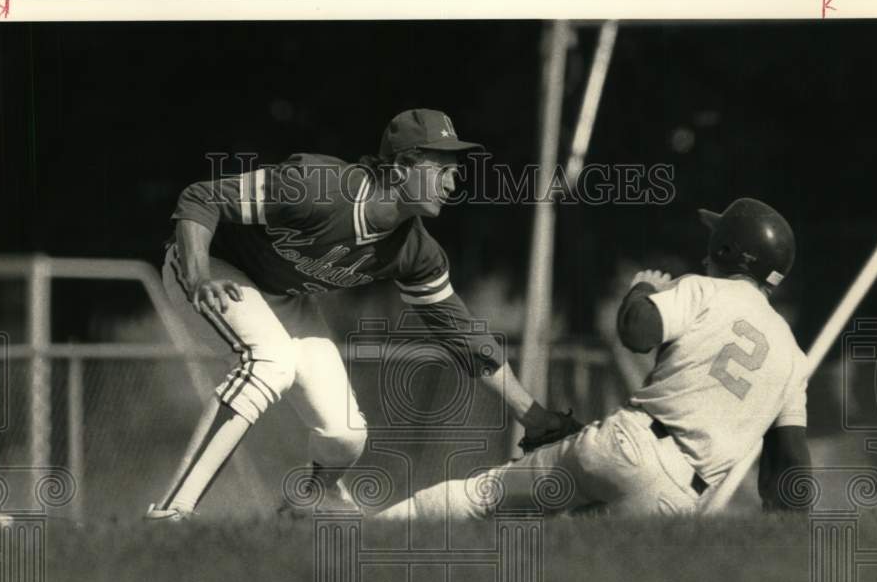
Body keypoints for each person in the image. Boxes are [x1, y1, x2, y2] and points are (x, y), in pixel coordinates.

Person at [145, 109, 580, 520]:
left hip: (285, 297)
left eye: (455, 170)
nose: (453, 181)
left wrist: (534, 416)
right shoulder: (317, 186)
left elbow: (464, 336)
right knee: (269, 360)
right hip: (212, 270)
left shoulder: (414, 251)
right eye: (441, 167)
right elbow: (200, 198)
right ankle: (171, 514)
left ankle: (306, 504)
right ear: (399, 167)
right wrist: (199, 273)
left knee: (345, 435)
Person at [377, 198, 812, 520]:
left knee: (485, 495)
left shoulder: (706, 289)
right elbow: (789, 470)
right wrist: (788, 535)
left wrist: (643, 288)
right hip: (678, 496)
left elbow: (636, 332)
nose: (704, 252)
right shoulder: (794, 359)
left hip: (629, 445)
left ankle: (374, 533)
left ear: (727, 252)